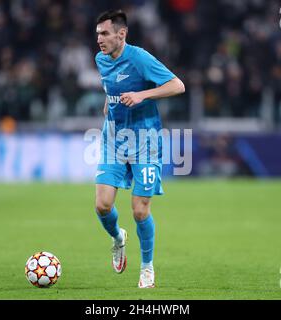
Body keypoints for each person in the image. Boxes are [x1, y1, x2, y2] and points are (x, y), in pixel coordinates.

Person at [94, 9, 185, 288]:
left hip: (145, 142)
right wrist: (108, 112)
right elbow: (111, 93)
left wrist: (142, 94)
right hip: (114, 141)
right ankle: (119, 238)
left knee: (140, 211)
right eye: (97, 34)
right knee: (102, 205)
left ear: (122, 34)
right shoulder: (101, 59)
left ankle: (147, 268)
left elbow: (177, 85)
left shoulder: (140, 58)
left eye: (105, 33)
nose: (99, 39)